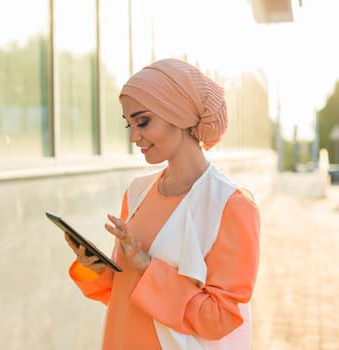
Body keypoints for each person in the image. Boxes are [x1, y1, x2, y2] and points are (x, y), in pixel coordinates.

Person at [65, 58, 260, 350]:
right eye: (128, 124)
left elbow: (220, 319)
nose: (134, 136)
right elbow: (125, 291)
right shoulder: (136, 192)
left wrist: (147, 267)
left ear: (179, 114)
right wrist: (95, 267)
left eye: (143, 121)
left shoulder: (231, 205)